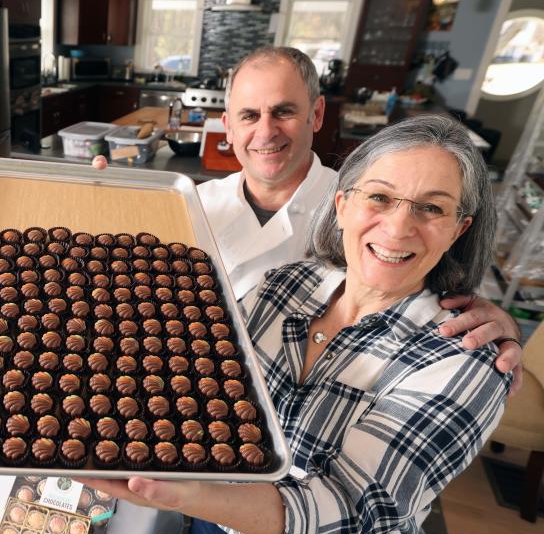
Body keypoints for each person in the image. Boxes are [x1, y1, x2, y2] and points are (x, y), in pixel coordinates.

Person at [84, 115, 511, 534]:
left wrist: (187, 494)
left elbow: (347, 507)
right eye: (380, 196)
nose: (398, 226)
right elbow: (191, 364)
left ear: (459, 230)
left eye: (432, 208)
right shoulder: (285, 285)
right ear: (343, 204)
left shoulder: (468, 360)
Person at [92, 46, 523, 387]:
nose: (265, 131)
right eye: (248, 115)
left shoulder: (367, 209)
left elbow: (441, 288)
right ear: (227, 126)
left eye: (283, 111)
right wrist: (99, 217)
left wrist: (497, 322)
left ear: (316, 114)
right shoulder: (191, 203)